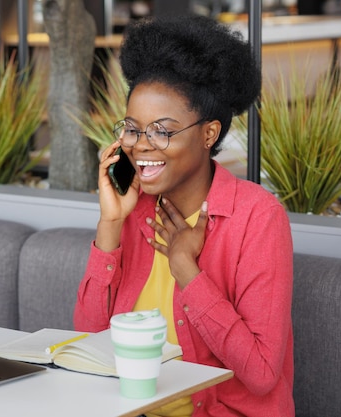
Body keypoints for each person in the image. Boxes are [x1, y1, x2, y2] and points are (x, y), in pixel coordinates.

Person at [73, 14, 294, 417]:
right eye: (133, 128)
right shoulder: (134, 209)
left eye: (161, 130)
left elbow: (261, 374)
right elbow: (90, 343)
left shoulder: (257, 218)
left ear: (208, 134)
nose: (141, 146)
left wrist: (186, 270)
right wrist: (109, 225)